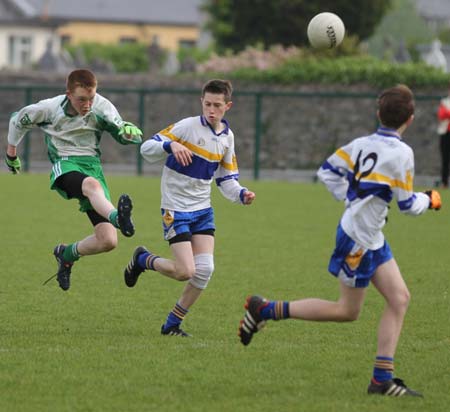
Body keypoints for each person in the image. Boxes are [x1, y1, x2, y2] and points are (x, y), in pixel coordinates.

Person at [238, 85, 441, 397]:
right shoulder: (403, 154)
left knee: (399, 298)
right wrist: (430, 200)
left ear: (378, 114)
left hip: (370, 235)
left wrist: (351, 199)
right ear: (410, 119)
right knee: (347, 311)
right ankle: (265, 309)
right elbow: (406, 205)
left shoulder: (361, 144)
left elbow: (328, 172)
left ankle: (381, 380)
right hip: (358, 239)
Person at [124, 79, 255, 337]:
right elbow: (146, 148)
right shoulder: (187, 126)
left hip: (203, 210)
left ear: (228, 106)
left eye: (217, 105)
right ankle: (143, 259)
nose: (211, 110)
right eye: (207, 104)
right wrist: (170, 144)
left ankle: (172, 324)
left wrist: (242, 194)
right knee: (185, 271)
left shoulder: (227, 138)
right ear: (201, 102)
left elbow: (226, 179)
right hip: (176, 209)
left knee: (205, 269)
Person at [5, 69, 142, 291]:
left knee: (108, 241)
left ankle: (66, 254)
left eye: (91, 98)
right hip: (65, 164)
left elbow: (123, 133)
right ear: (68, 94)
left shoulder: (102, 107)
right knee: (92, 186)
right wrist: (11, 153)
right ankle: (119, 218)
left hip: (93, 168)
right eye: (81, 99)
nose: (87, 104)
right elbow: (17, 120)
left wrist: (129, 134)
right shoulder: (48, 109)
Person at [437, 84, 450, 188]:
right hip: (445, 133)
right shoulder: (444, 102)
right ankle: (444, 182)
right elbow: (441, 115)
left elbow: (446, 114)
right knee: (445, 159)